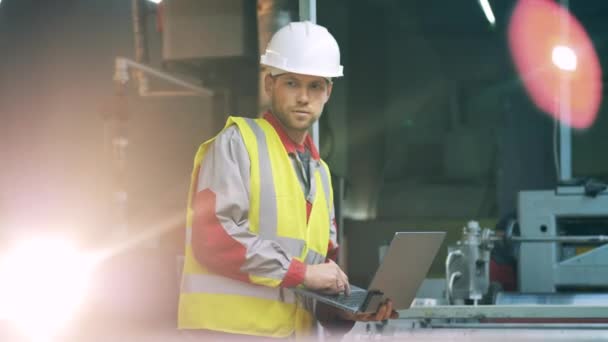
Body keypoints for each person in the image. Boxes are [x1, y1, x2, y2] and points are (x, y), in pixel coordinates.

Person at [178, 21, 396, 340]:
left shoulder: (320, 175)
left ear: (328, 92)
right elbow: (214, 237)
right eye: (292, 83)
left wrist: (346, 307)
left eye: (315, 86)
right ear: (270, 85)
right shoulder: (237, 143)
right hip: (227, 332)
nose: (303, 98)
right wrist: (303, 272)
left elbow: (317, 277)